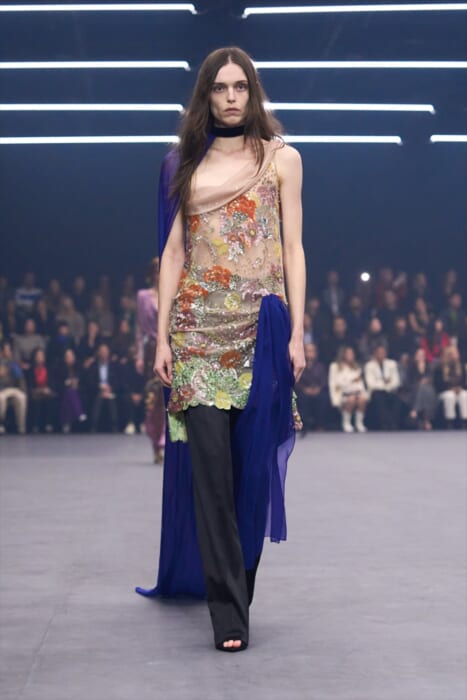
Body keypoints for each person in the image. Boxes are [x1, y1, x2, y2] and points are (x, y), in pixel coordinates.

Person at [136, 46, 305, 653]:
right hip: (198, 338)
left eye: (240, 87)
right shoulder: (183, 164)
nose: (231, 98)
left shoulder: (282, 159)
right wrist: (161, 336)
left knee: (249, 476)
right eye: (219, 88)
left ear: (252, 93)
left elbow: (293, 248)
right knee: (210, 476)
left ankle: (240, 588)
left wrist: (298, 331)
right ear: (205, 96)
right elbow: (174, 253)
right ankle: (229, 614)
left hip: (261, 334)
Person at [135, 258, 166, 463]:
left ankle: (164, 440)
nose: (158, 274)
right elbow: (139, 328)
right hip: (150, 351)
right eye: (155, 271)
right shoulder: (143, 296)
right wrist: (138, 355)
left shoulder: (171, 292)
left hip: (168, 348)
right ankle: (156, 442)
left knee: (167, 396)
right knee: (153, 398)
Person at [328, 345, 368, 433]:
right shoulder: (335, 367)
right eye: (349, 354)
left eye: (352, 354)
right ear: (343, 355)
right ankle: (346, 423)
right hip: (342, 394)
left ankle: (359, 423)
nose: (351, 355)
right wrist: (352, 381)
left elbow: (360, 384)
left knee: (362, 399)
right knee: (351, 399)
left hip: (357, 393)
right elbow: (338, 384)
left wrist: (356, 386)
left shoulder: (356, 367)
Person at [364, 344, 401, 430]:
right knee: (379, 397)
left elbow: (396, 381)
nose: (381, 355)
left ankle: (393, 423)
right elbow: (371, 384)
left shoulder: (392, 364)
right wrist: (385, 383)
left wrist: (384, 384)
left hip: (390, 390)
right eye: (379, 353)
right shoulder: (369, 365)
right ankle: (385, 423)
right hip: (375, 392)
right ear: (375, 354)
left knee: (397, 399)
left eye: (383, 353)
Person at [296, 342, 328, 432]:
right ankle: (303, 424)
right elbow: (296, 380)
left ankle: (320, 424)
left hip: (318, 391)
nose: (310, 353)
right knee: (302, 398)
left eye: (312, 351)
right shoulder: (299, 365)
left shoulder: (320, 366)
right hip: (303, 391)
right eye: (308, 351)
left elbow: (324, 381)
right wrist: (304, 389)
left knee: (323, 397)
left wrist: (318, 389)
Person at [433, 345, 467, 428]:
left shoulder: (461, 366)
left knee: (464, 395)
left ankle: (464, 420)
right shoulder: (439, 368)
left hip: (459, 391)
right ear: (449, 355)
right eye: (455, 353)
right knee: (450, 396)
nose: (458, 355)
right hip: (444, 391)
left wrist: (459, 388)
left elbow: (463, 382)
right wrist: (451, 389)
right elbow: (438, 384)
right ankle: (450, 421)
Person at [0, 340, 27, 434]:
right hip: (1, 390)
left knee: (22, 397)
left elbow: (19, 377)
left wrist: (14, 367)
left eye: (9, 350)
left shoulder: (12, 363)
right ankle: (1, 424)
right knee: (1, 398)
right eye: (6, 350)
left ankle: (21, 427)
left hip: (12, 389)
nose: (8, 352)